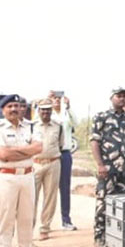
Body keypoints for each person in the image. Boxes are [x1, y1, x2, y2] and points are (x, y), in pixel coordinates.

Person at [0, 94, 43, 247]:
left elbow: (38, 148)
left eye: (17, 106)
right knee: (6, 220)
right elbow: (3, 154)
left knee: (26, 218)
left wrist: (14, 151)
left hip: (27, 176)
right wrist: (27, 151)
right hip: (7, 177)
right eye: (10, 106)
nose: (14, 109)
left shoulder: (31, 126)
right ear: (3, 110)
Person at [90, 87, 125, 247]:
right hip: (108, 168)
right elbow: (94, 141)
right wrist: (100, 164)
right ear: (111, 98)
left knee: (124, 203)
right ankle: (99, 238)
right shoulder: (101, 117)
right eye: (118, 96)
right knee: (103, 202)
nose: (122, 99)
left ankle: (119, 238)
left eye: (124, 96)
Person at [31, 99, 65, 240]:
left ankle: (45, 228)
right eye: (43, 109)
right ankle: (28, 230)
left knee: (50, 197)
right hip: (35, 164)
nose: (45, 112)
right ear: (38, 111)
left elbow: (61, 145)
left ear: (51, 111)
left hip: (53, 163)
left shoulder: (58, 126)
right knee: (31, 198)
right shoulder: (31, 126)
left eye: (48, 109)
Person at [48, 91, 79, 230]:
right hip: (50, 154)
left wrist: (69, 107)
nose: (56, 100)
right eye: (54, 98)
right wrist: (46, 101)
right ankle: (46, 222)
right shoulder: (47, 114)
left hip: (65, 153)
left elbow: (76, 123)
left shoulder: (66, 114)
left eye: (58, 98)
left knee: (65, 188)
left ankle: (66, 220)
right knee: (49, 189)